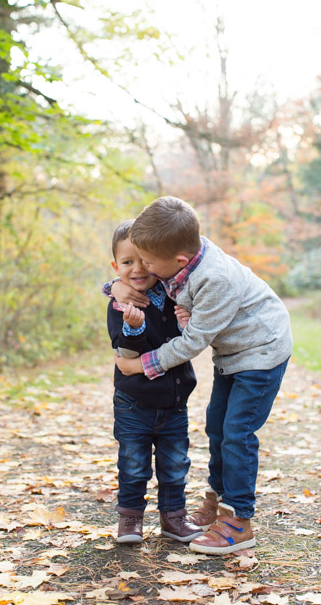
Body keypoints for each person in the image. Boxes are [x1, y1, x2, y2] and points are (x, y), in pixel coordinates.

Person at [110, 197, 293, 556]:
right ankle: (220, 497)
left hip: (261, 352)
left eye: (148, 262)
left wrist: (142, 364)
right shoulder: (179, 254)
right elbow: (133, 274)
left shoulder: (214, 278)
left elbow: (192, 341)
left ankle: (239, 520)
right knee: (216, 426)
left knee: (237, 433)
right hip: (234, 353)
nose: (143, 268)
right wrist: (114, 287)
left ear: (177, 261)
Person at [106, 220, 203, 545]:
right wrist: (133, 326)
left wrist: (187, 323)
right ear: (115, 266)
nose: (138, 269)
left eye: (144, 261)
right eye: (127, 262)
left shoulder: (173, 294)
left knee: (175, 463)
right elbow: (124, 351)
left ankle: (174, 518)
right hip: (134, 402)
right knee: (133, 464)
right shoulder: (120, 303)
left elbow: (184, 342)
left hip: (174, 401)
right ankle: (130, 520)